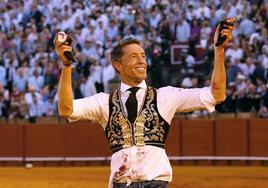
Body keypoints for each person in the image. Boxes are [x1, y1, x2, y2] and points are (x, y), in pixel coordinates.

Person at [54, 17, 235, 188]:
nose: (142, 60)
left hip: (155, 183)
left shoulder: (167, 96)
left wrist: (219, 51)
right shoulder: (104, 102)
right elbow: (66, 109)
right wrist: (67, 66)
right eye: (133, 56)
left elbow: (216, 95)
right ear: (118, 65)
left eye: (142, 55)